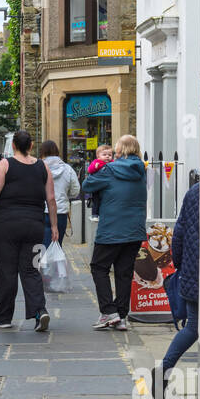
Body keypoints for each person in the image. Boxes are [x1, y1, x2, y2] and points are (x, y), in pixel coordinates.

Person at [0, 129, 59, 332]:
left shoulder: (6, 164)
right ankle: (39, 311)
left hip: (5, 226)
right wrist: (53, 226)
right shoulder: (42, 166)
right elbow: (51, 199)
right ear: (30, 146)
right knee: (31, 270)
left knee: (7, 270)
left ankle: (3, 317)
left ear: (13, 146)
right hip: (35, 226)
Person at [82, 134, 147, 330]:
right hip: (134, 230)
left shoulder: (109, 169)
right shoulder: (141, 170)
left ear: (119, 150)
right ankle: (121, 315)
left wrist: (95, 167)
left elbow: (87, 185)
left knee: (99, 267)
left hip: (111, 229)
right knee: (123, 273)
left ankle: (108, 312)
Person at [152, 180, 200, 399]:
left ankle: (164, 369)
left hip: (193, 270)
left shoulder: (193, 192)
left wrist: (182, 267)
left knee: (192, 327)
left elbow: (178, 235)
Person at [38, 139, 80, 248]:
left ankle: (42, 265)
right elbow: (75, 191)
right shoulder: (68, 169)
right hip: (60, 212)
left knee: (41, 247)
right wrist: (65, 196)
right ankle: (54, 265)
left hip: (41, 211)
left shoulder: (38, 168)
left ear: (42, 152)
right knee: (57, 246)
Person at [85, 144, 114, 218]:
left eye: (109, 155)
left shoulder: (112, 163)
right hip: (97, 187)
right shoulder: (96, 162)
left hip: (107, 187)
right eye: (104, 155)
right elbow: (90, 170)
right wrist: (95, 167)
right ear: (98, 156)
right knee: (96, 200)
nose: (107, 156)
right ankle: (95, 214)